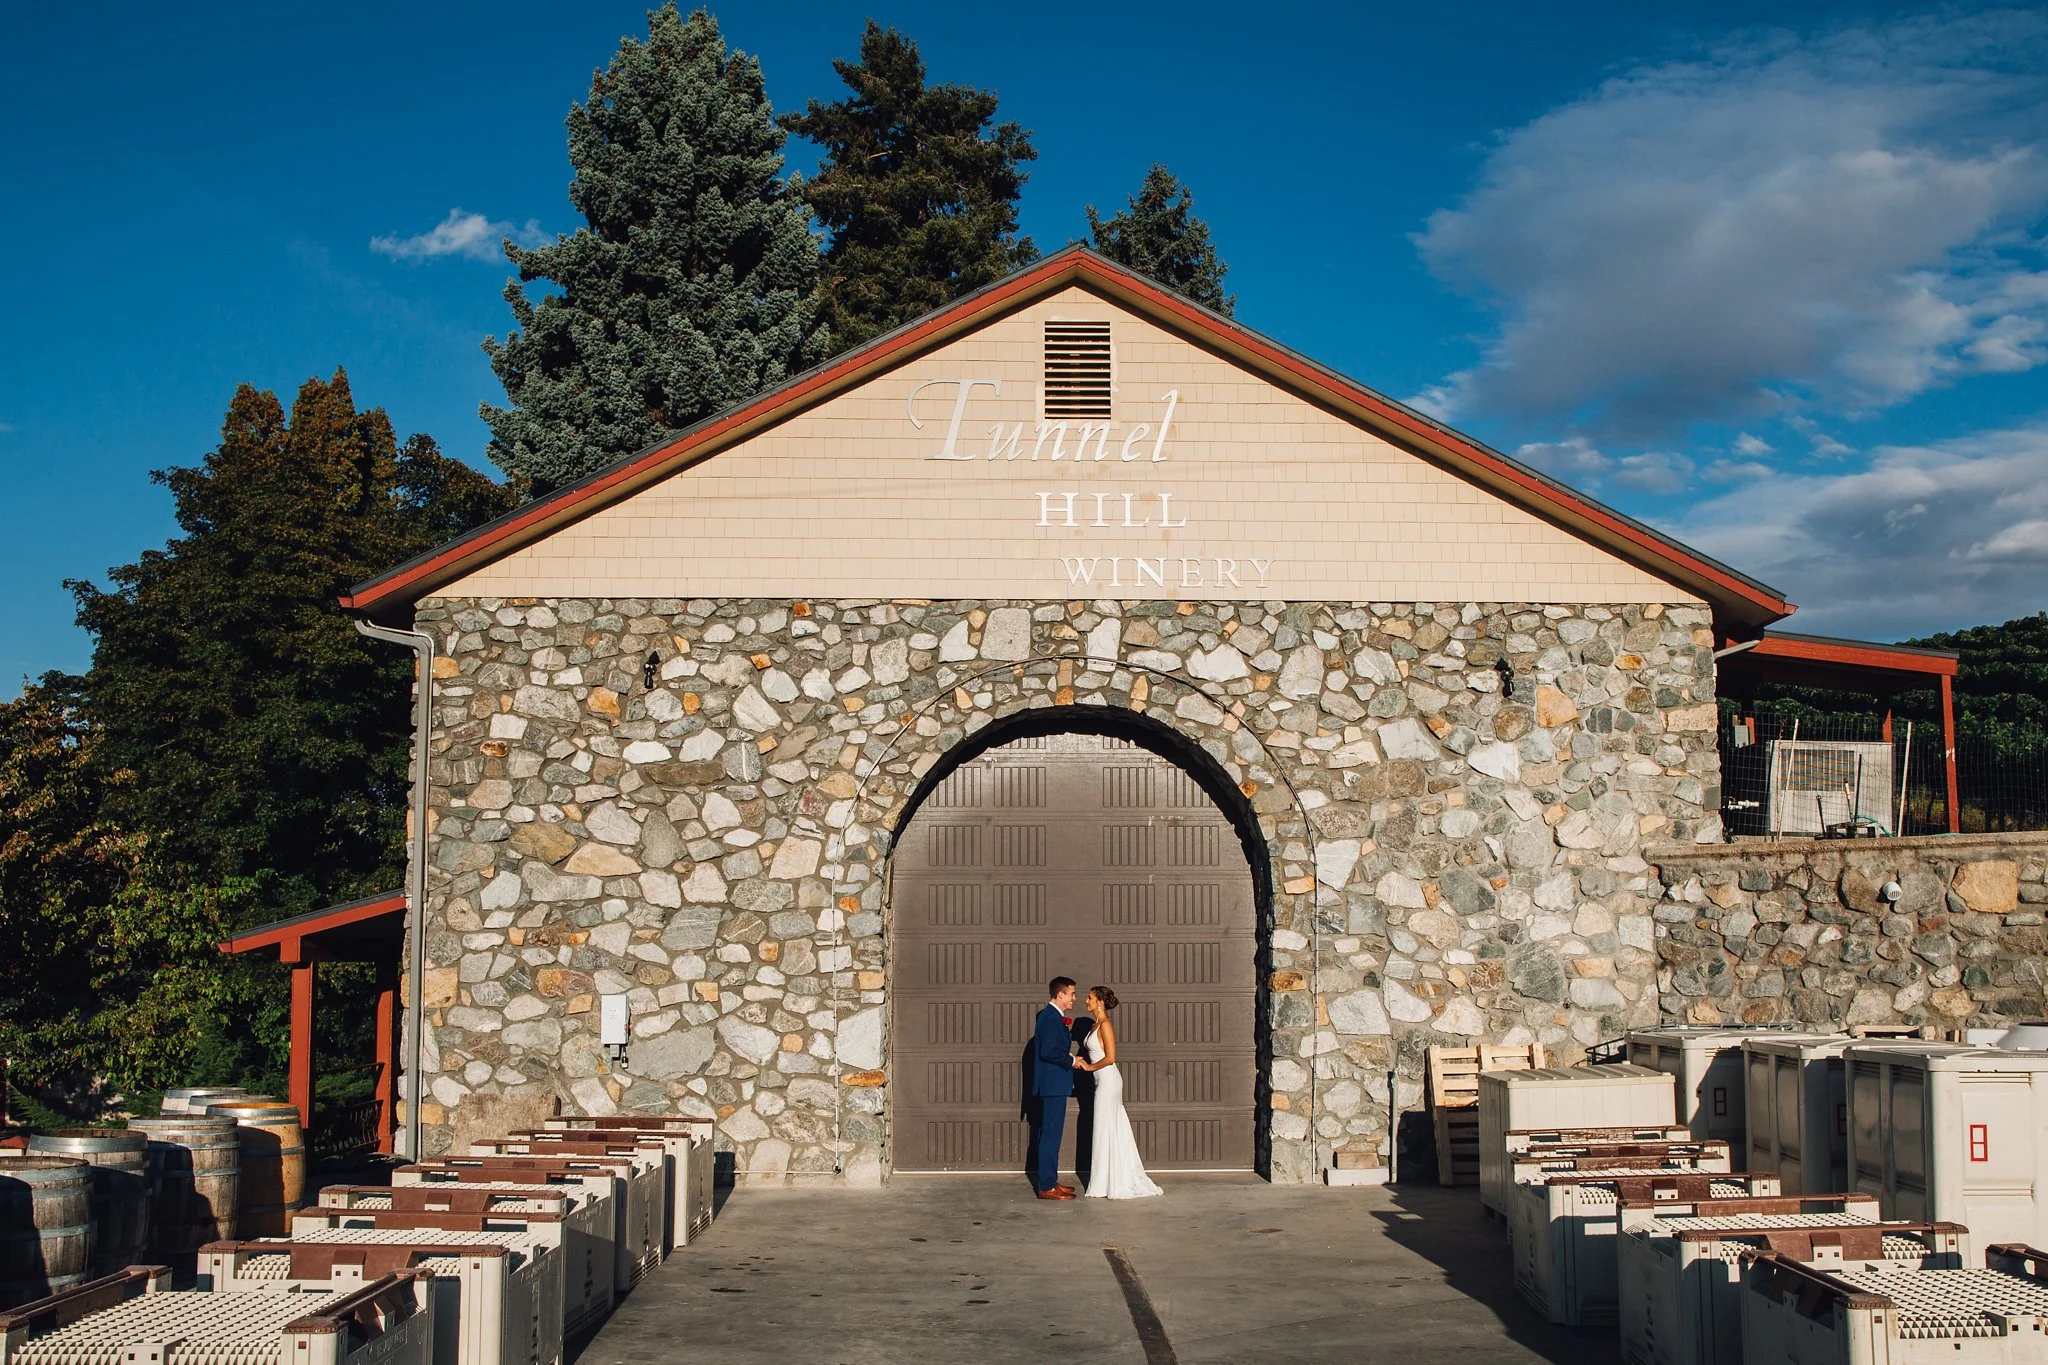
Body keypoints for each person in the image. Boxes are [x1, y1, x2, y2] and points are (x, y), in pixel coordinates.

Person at [1071, 986, 1162, 1199]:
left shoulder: (1106, 1025)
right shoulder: (1095, 1025)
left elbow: (1111, 1057)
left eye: (1090, 998)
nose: (1086, 1001)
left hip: (1109, 1081)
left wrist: (1089, 1067)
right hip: (1100, 1081)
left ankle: (1108, 1182)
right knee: (1104, 1129)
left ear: (1100, 1001)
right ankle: (1102, 1182)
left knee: (1105, 1128)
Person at [1026, 977, 1080, 1199]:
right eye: (1072, 994)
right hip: (1053, 1085)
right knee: (1050, 1135)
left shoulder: (1052, 1017)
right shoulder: (1049, 1018)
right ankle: (1046, 1186)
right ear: (1060, 994)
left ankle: (1050, 1180)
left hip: (1054, 1084)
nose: (1074, 998)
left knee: (1051, 1134)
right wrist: (1072, 1061)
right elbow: (1048, 1051)